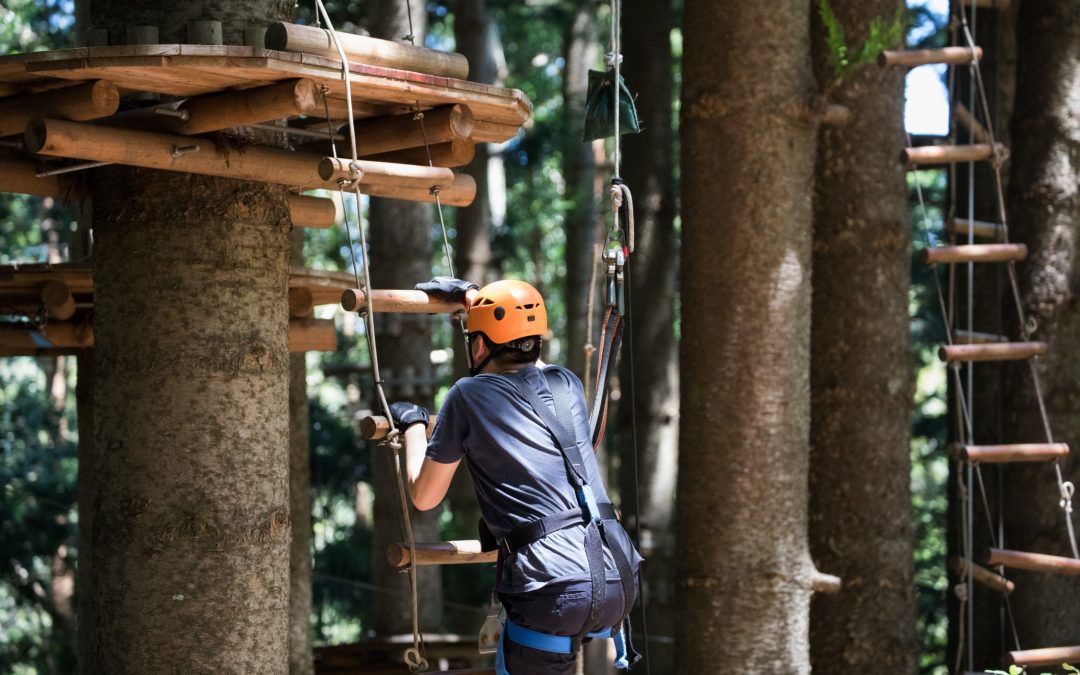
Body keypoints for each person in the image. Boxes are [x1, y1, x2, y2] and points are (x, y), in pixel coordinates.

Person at [388, 277, 642, 675]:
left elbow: (424, 496)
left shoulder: (467, 395)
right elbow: (526, 360)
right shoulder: (566, 383)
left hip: (551, 588)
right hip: (617, 575)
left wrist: (413, 426)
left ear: (481, 345)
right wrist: (481, 305)